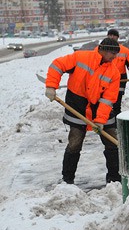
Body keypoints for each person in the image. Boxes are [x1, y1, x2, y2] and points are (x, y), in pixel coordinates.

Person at [45, 38, 122, 184]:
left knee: (112, 143)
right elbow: (57, 65)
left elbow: (107, 100)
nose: (114, 57)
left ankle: (114, 178)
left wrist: (100, 121)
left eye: (116, 54)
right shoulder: (81, 57)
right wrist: (51, 86)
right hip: (77, 107)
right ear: (103, 50)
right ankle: (67, 179)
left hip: (100, 110)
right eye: (112, 53)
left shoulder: (114, 73)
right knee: (75, 143)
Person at [107, 28, 129, 117]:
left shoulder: (125, 51)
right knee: (105, 101)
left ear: (117, 37)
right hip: (105, 78)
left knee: (117, 102)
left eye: (114, 35)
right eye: (110, 35)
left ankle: (116, 119)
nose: (112, 37)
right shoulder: (100, 49)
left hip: (120, 79)